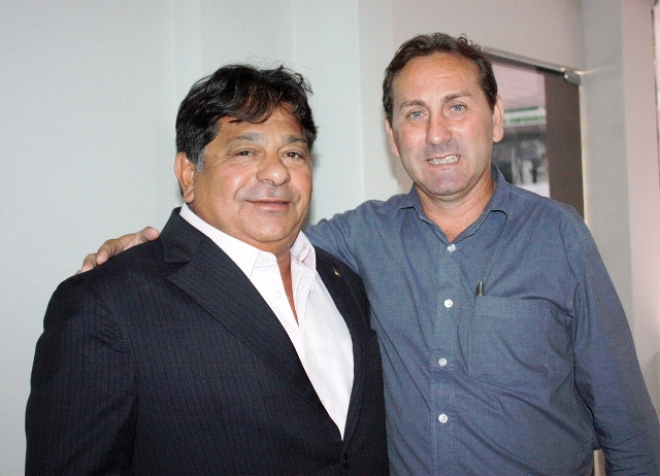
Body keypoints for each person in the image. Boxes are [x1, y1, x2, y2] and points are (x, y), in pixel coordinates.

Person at [79, 34, 660, 475]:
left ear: (497, 119)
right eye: (415, 113)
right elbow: (249, 236)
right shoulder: (354, 240)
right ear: (392, 134)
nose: (436, 133)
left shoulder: (559, 236)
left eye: (457, 107)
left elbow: (627, 424)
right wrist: (155, 246)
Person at [26, 64, 389, 475]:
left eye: (293, 153)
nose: (277, 172)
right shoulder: (106, 304)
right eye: (246, 152)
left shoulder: (344, 282)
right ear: (188, 173)